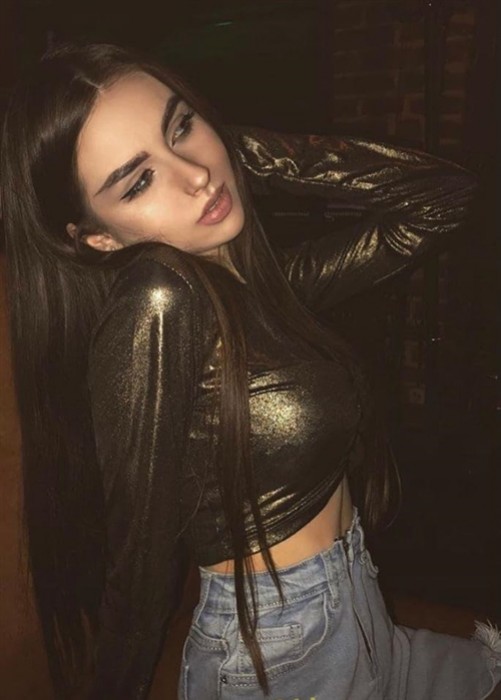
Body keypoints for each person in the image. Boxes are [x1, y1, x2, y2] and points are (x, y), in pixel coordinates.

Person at [1, 41, 499, 700]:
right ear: (99, 237)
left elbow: (443, 199)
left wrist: (241, 152)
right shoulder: (157, 301)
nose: (195, 175)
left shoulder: (259, 291)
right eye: (139, 181)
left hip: (362, 612)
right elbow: (140, 557)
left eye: (181, 126)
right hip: (281, 655)